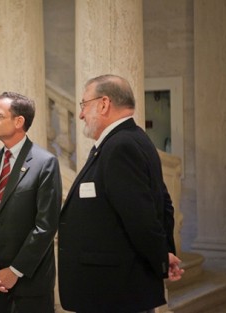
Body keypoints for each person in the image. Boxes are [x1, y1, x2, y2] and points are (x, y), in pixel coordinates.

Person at [58, 74, 184, 313]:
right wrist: (164, 253)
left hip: (113, 292)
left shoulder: (120, 146)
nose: (82, 114)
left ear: (104, 104)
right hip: (116, 288)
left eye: (84, 104)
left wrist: (161, 257)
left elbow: (141, 217)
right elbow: (162, 203)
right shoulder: (133, 139)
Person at [0, 91, 62, 313]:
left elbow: (46, 226)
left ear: (19, 121)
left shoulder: (45, 163)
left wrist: (15, 270)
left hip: (31, 282)